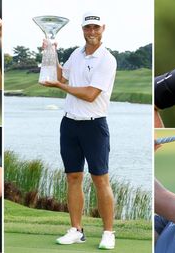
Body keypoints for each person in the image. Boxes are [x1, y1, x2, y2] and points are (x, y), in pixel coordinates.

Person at [41, 11, 117, 250]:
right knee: (73, 177)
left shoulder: (107, 59)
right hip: (70, 124)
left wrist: (60, 85)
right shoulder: (77, 53)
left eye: (95, 27)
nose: (91, 32)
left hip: (94, 125)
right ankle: (76, 230)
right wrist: (50, 52)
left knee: (100, 179)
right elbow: (62, 74)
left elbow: (90, 93)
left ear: (102, 28)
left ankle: (108, 233)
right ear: (83, 30)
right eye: (87, 28)